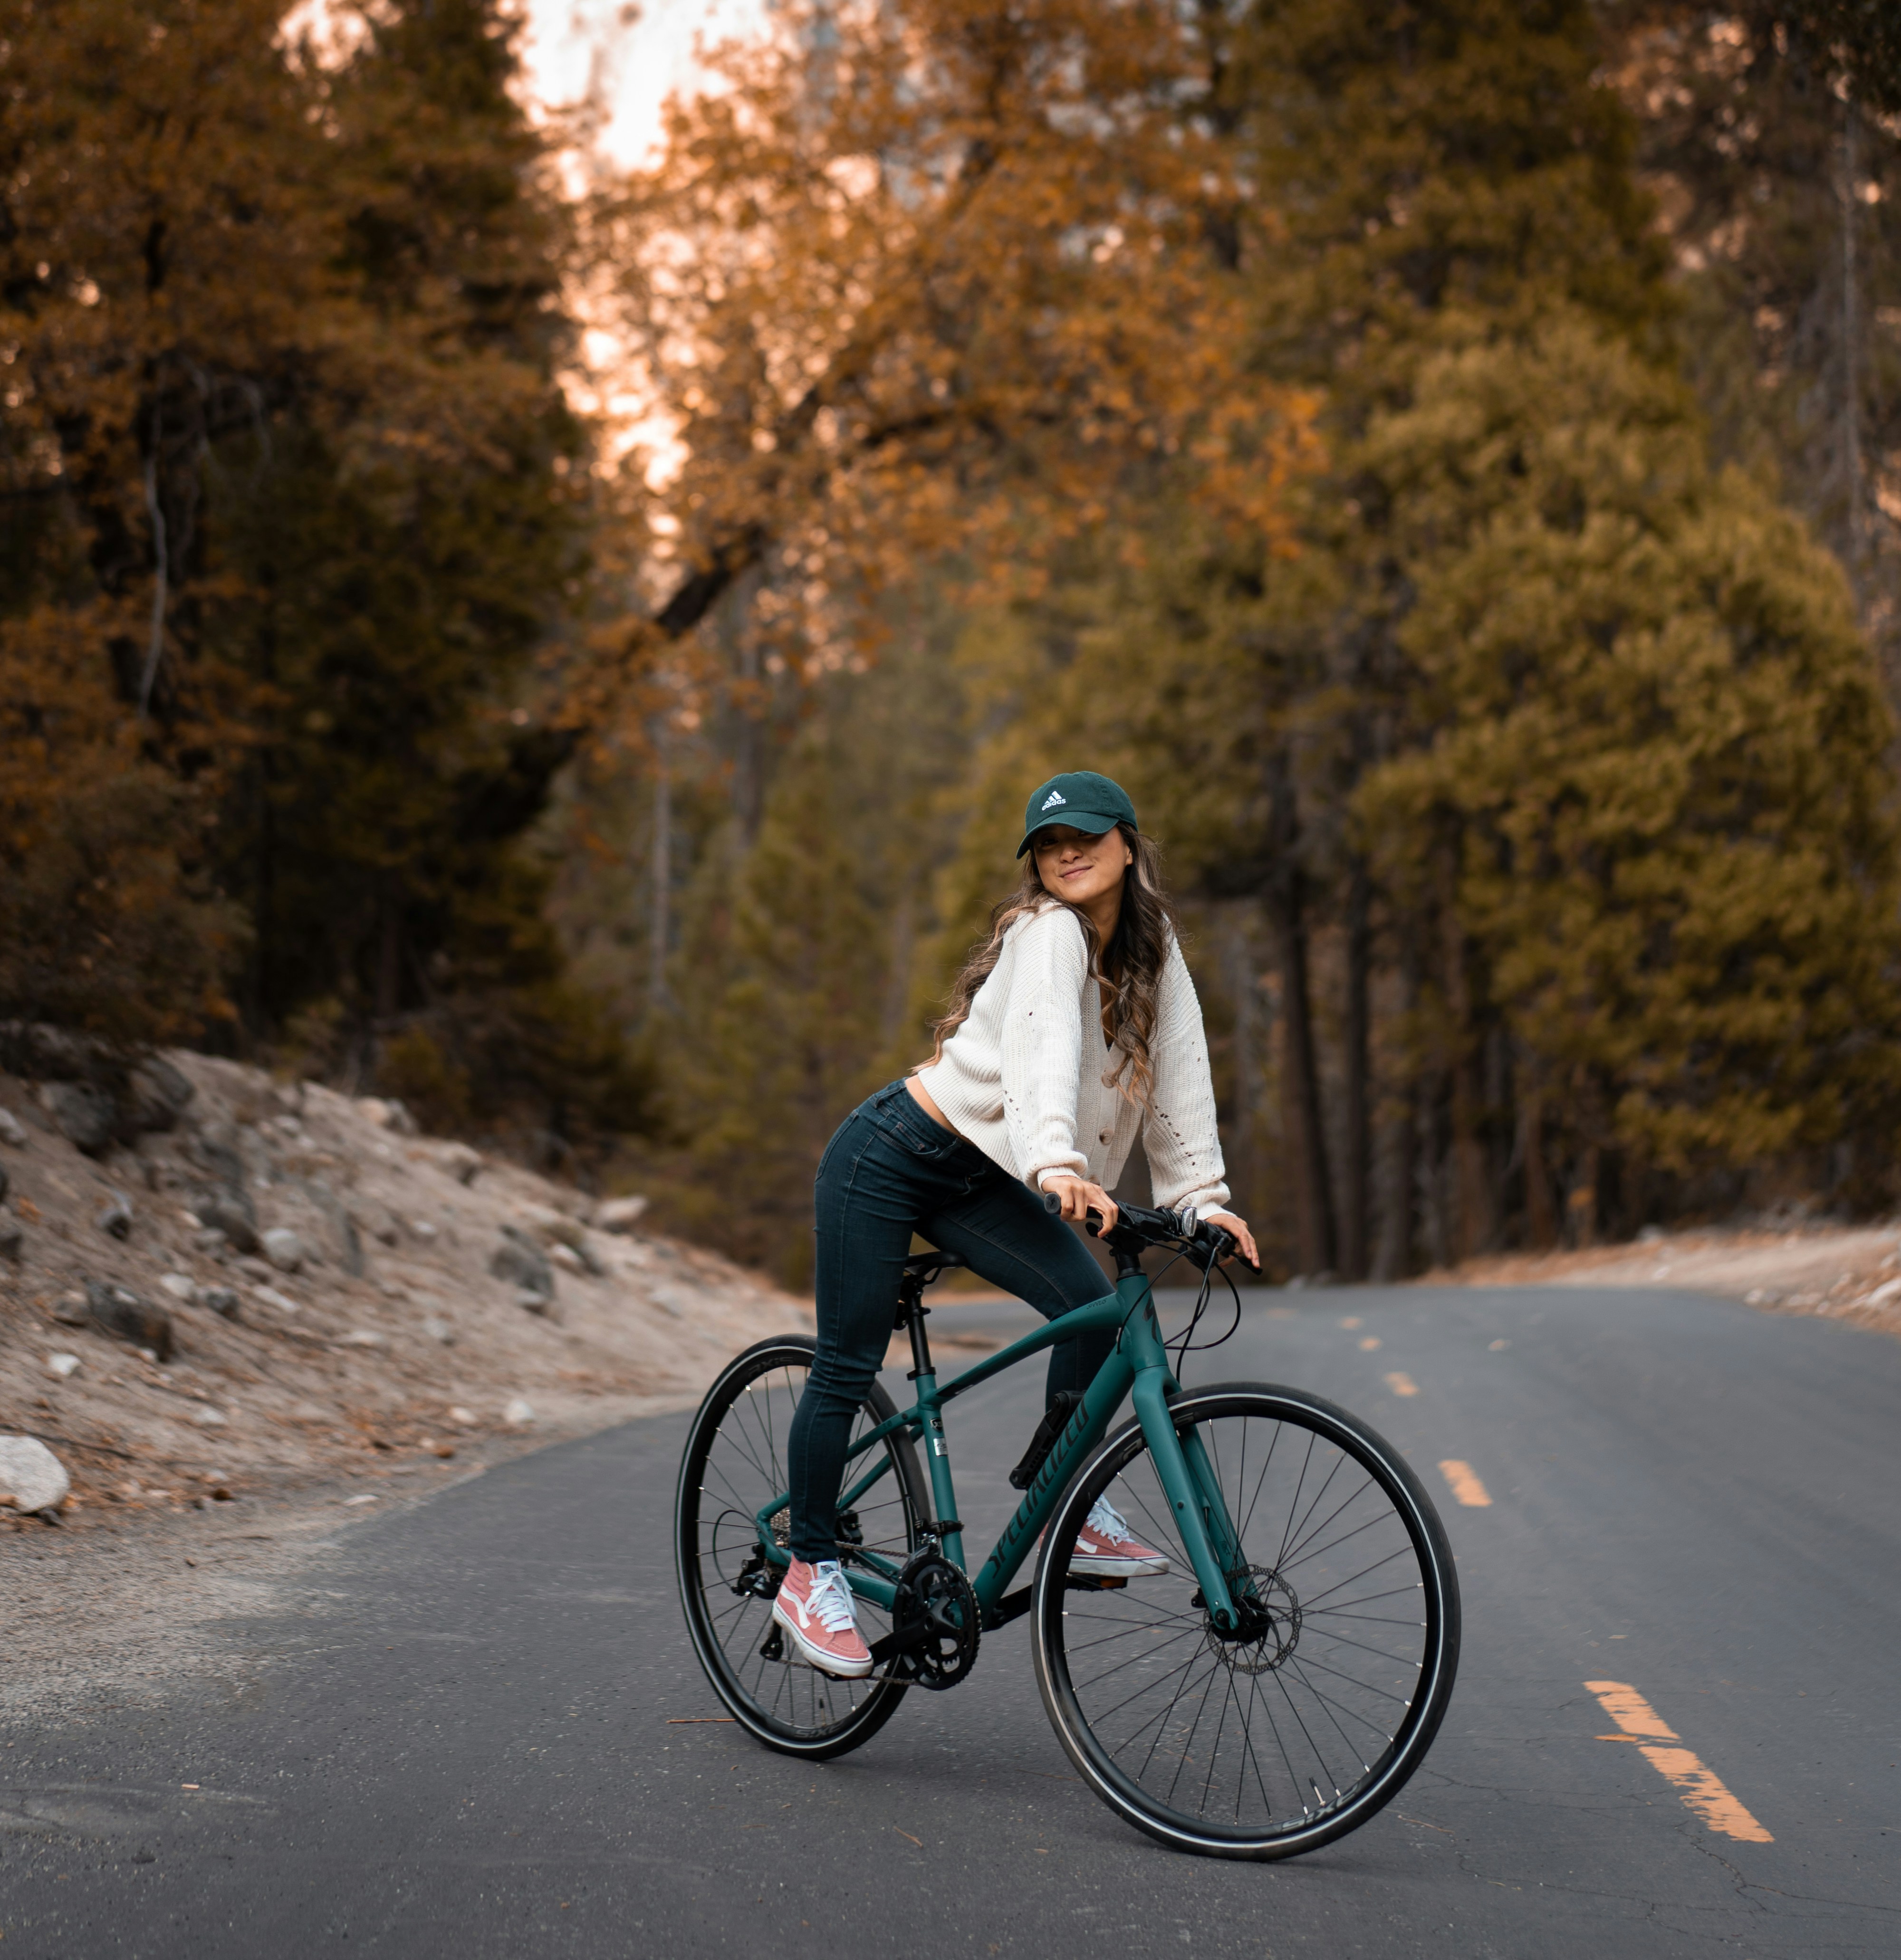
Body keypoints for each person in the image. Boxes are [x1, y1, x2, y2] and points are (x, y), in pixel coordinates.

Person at [772, 770, 1260, 1677]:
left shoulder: (1157, 951)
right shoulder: (1048, 934)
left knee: (1094, 1306)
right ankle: (809, 1567)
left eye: (1084, 835)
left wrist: (1204, 1199)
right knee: (846, 1363)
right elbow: (1042, 1049)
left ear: (1127, 842)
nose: (1066, 852)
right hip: (889, 1156)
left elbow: (1181, 1078)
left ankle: (1063, 1501)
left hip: (980, 1176)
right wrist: (1059, 1166)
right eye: (1047, 844)